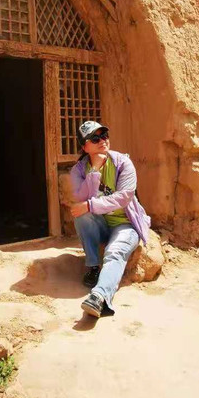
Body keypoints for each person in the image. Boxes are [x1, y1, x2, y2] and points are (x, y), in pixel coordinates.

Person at [69, 120, 150, 317]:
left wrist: (90, 205)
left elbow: (124, 197)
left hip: (125, 224)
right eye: (95, 138)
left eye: (104, 135)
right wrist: (94, 171)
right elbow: (81, 198)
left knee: (115, 252)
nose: (102, 140)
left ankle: (99, 297)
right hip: (101, 224)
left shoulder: (122, 163)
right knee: (82, 216)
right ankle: (93, 267)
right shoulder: (79, 170)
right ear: (84, 147)